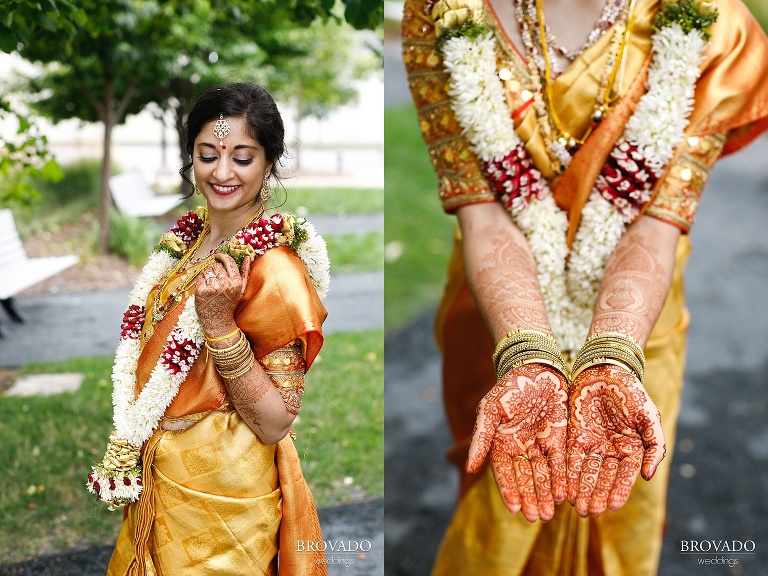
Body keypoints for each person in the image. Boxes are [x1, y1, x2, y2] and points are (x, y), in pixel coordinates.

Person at [402, 0, 768, 573]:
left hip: (641, 319)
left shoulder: (716, 24)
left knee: (623, 505)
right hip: (495, 314)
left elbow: (656, 220)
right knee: (505, 498)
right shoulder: (444, 11)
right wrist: (527, 356)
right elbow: (485, 216)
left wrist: (613, 358)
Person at [85, 82, 331, 575]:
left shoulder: (273, 271)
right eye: (207, 154)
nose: (222, 173)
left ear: (268, 163)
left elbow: (276, 422)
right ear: (190, 156)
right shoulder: (185, 243)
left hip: (224, 494)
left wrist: (219, 325)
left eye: (243, 157)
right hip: (157, 477)